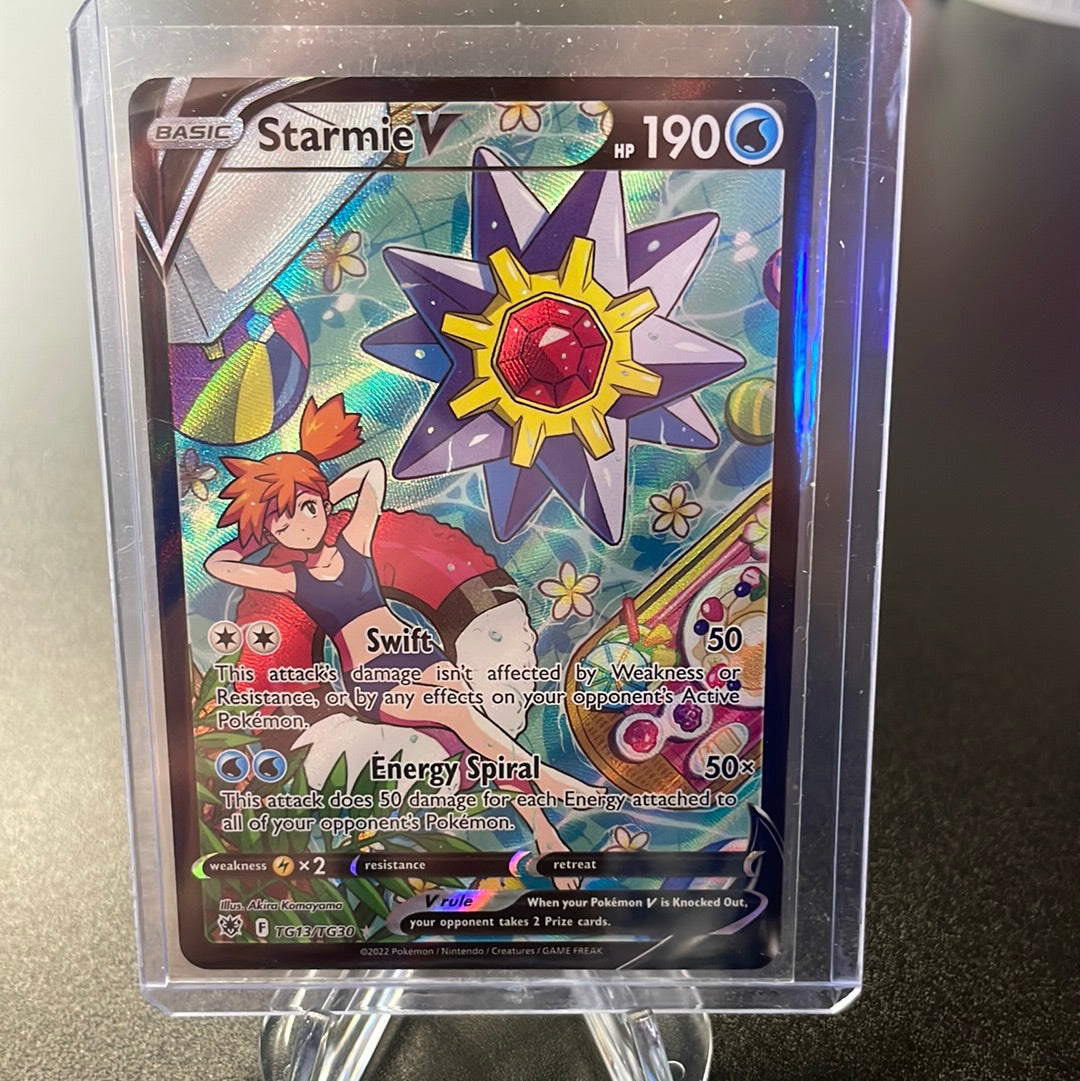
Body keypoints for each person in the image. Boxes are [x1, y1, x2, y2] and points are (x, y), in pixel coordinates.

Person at [205, 395, 599, 884]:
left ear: (322, 505)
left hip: (418, 652)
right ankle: (553, 782)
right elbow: (217, 565)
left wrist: (318, 490)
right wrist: (261, 529)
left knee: (478, 736)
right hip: (374, 677)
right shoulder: (292, 579)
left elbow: (372, 473)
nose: (302, 526)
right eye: (285, 524)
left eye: (307, 509)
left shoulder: (355, 543)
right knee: (461, 717)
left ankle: (546, 835)